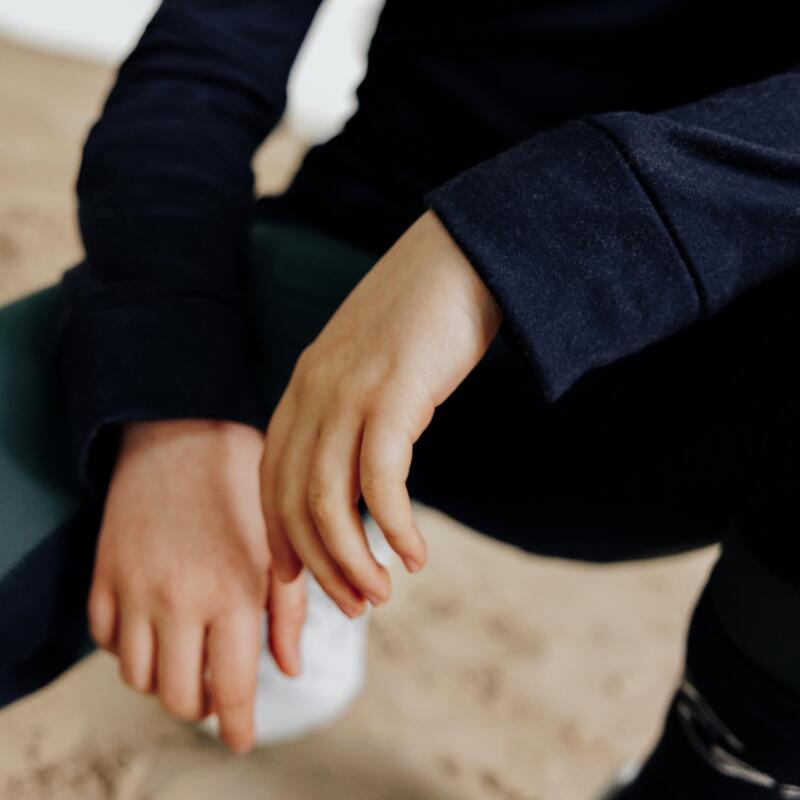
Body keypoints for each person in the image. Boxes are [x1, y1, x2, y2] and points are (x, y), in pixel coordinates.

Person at [1, 0, 799, 796]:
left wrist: (504, 246)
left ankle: (713, 772)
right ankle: (303, 537)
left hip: (701, 387)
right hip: (339, 297)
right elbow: (200, 67)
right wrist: (172, 413)